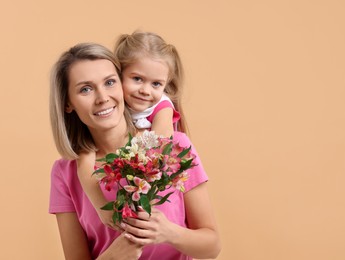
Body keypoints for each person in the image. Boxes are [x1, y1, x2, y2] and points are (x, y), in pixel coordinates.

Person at [49, 42, 221, 259]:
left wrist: (169, 232)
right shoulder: (64, 172)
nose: (102, 97)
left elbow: (212, 246)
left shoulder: (173, 147)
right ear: (68, 103)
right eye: (85, 89)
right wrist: (113, 256)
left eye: (110, 82)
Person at [78, 31, 189, 230]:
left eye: (156, 84)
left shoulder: (162, 105)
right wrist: (102, 209)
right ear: (118, 76)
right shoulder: (109, 104)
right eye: (137, 79)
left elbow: (160, 144)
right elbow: (84, 165)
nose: (145, 90)